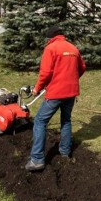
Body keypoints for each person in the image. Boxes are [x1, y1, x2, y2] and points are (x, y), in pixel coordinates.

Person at [25, 25, 86, 172]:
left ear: (50, 38)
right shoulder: (73, 48)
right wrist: (70, 80)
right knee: (66, 120)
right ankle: (65, 152)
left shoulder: (51, 48)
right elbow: (82, 67)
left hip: (56, 94)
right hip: (71, 93)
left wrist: (36, 89)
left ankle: (37, 159)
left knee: (40, 121)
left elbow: (45, 73)